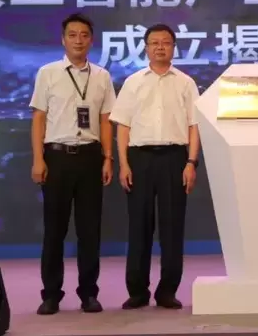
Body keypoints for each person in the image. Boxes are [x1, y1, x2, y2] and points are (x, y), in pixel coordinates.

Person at [29, 13, 117, 315]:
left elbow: (106, 120)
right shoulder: (48, 73)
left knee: (89, 231)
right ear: (63, 39)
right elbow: (39, 118)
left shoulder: (102, 76)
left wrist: (108, 157)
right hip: (56, 157)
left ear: (91, 40)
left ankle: (89, 293)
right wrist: (38, 159)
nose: (78, 40)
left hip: (91, 157)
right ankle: (51, 294)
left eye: (84, 35)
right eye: (72, 35)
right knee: (54, 230)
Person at [109, 23, 201, 310]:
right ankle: (137, 291)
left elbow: (194, 126)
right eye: (154, 43)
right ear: (146, 48)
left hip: (175, 158)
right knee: (139, 226)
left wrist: (191, 162)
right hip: (140, 158)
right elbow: (123, 126)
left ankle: (167, 291)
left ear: (173, 47)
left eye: (166, 42)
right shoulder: (133, 82)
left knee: (172, 227)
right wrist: (124, 164)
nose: (160, 47)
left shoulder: (185, 83)